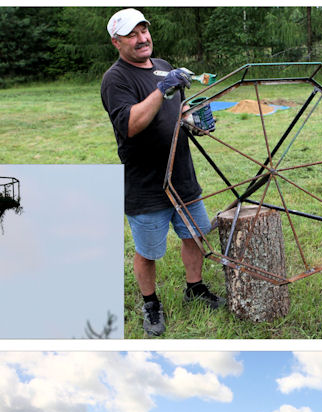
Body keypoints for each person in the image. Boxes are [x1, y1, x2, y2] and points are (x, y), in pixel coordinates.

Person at [100, 8, 224, 337]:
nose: (142, 39)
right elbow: (130, 124)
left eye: (144, 31)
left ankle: (194, 288)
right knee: (148, 251)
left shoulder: (164, 67)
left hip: (182, 174)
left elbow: (179, 108)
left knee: (195, 235)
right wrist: (162, 90)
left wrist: (194, 121)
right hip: (146, 183)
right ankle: (151, 303)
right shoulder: (116, 79)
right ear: (117, 42)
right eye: (132, 34)